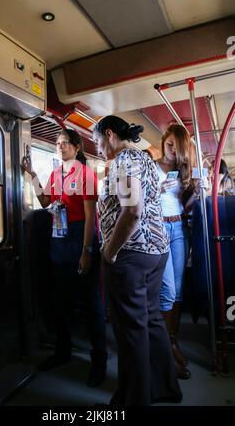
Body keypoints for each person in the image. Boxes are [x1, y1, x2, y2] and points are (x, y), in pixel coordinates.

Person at [93, 115, 182, 407]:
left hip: (131, 255)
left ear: (109, 135)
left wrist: (109, 252)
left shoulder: (122, 161)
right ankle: (164, 387)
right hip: (157, 252)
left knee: (131, 328)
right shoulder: (143, 160)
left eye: (97, 141)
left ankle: (134, 400)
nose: (97, 148)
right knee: (152, 320)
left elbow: (132, 211)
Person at [22, 129, 107, 387]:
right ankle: (63, 352)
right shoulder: (56, 174)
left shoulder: (86, 175)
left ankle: (100, 360)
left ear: (77, 147)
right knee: (61, 301)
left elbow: (91, 216)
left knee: (92, 304)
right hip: (59, 240)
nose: (60, 147)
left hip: (80, 237)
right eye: (58, 144)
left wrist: (86, 251)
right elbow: (46, 201)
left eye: (65, 144)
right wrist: (33, 175)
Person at [155, 124, 195, 380]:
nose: (172, 151)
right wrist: (157, 190)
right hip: (159, 229)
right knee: (166, 289)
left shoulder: (184, 172)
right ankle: (164, 348)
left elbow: (186, 206)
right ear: (163, 142)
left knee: (178, 289)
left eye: (176, 147)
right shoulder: (152, 166)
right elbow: (143, 199)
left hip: (178, 228)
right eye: (169, 145)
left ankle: (172, 341)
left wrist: (195, 192)